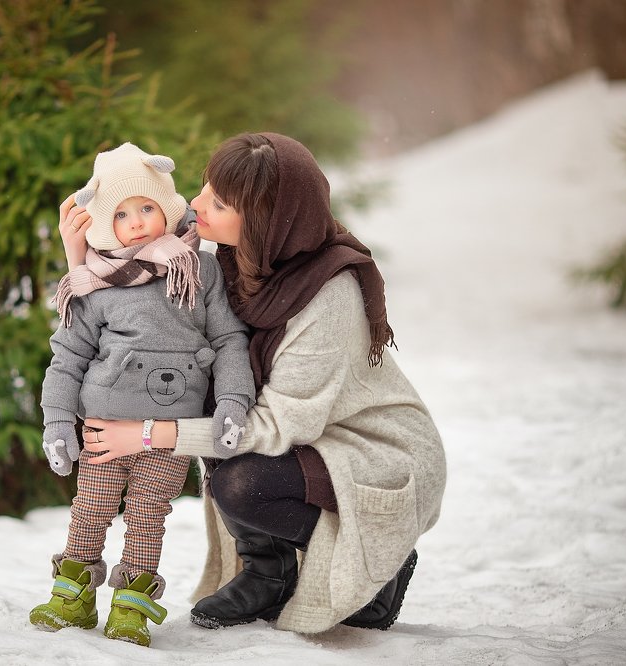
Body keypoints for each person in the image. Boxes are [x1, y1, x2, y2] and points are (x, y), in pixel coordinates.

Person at [73, 132, 448, 635]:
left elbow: (275, 424)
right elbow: (135, 304)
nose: (196, 204)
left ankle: (381, 559)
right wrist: (78, 250)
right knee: (208, 382)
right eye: (205, 186)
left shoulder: (327, 296)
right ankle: (268, 573)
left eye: (218, 202)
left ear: (267, 223)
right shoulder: (235, 257)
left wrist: (150, 434)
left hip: (372, 452)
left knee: (243, 483)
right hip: (310, 433)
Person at [30, 143, 255, 646]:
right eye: (122, 214)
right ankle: (74, 595)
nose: (136, 222)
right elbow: (66, 357)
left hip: (166, 432)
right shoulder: (94, 283)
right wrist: (57, 422)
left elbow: (228, 341)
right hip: (103, 430)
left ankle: (131, 604)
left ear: (168, 206)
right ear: (107, 224)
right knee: (91, 509)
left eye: (146, 208)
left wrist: (233, 402)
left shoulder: (200, 269)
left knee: (149, 515)